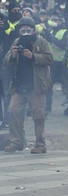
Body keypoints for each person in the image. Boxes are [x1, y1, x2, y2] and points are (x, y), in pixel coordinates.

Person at [3, 17, 53, 153]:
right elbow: (6, 61)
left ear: (34, 31)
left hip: (36, 85)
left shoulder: (41, 42)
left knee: (38, 114)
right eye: (23, 30)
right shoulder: (16, 41)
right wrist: (13, 55)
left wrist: (33, 56)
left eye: (28, 30)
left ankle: (40, 144)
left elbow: (49, 58)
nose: (25, 33)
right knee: (13, 112)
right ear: (19, 31)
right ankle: (16, 142)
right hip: (19, 85)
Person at [0, 1, 23, 130]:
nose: (16, 12)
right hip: (4, 61)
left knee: (9, 92)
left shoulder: (23, 24)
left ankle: (9, 120)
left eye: (18, 10)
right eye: (13, 10)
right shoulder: (4, 23)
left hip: (15, 62)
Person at [46, 14, 68, 113]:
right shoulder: (51, 31)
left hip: (62, 63)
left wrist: (51, 37)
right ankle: (48, 106)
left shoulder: (65, 32)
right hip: (52, 63)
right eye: (53, 19)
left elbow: (63, 45)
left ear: (61, 21)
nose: (54, 21)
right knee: (48, 85)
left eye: (56, 20)